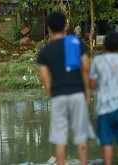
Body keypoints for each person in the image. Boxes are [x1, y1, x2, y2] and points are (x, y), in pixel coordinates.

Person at [37, 11, 94, 165]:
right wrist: (86, 91)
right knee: (81, 136)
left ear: (49, 28)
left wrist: (52, 95)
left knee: (60, 139)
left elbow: (44, 77)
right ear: (66, 26)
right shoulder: (76, 44)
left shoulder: (45, 51)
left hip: (58, 96)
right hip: (77, 94)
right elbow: (86, 69)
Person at [89, 32, 118, 165]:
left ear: (104, 45)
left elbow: (91, 84)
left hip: (104, 108)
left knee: (107, 141)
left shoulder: (98, 61)